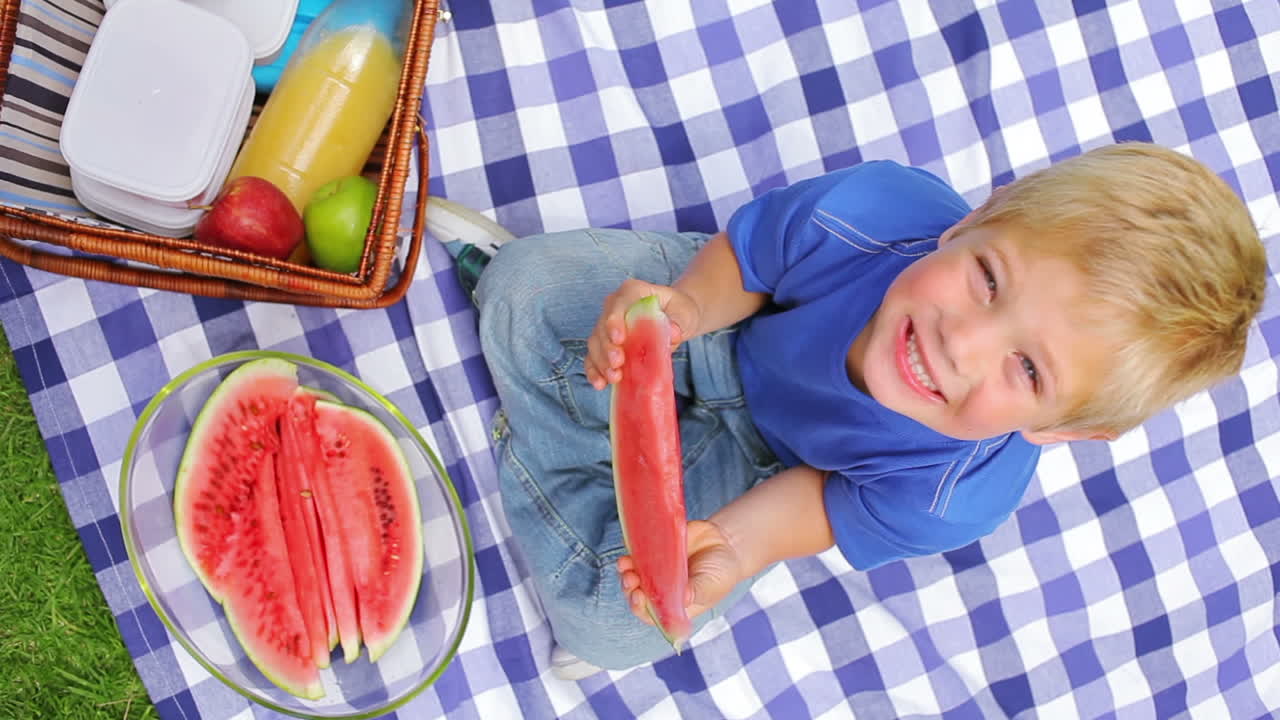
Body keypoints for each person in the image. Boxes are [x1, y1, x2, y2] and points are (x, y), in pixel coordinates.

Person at [428, 142, 1267, 678]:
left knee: (621, 628)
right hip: (730, 321)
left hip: (770, 465)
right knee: (523, 285)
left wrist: (733, 545)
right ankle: (571, 449)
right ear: (979, 216)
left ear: (1063, 430)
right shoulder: (879, 212)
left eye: (1027, 368)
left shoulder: (957, 495)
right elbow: (746, 263)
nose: (960, 344)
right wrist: (680, 311)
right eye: (987, 279)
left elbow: (820, 503)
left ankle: (552, 434)